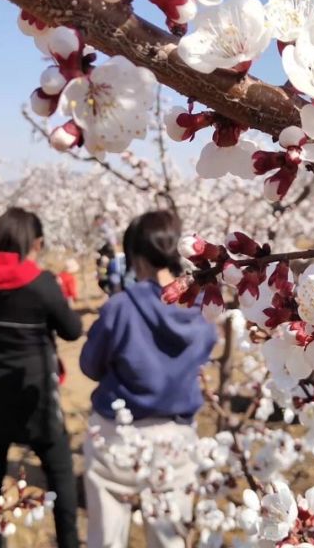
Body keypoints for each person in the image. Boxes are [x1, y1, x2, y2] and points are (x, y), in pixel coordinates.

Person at [79, 210, 218, 548]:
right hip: (175, 438)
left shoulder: (121, 307)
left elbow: (90, 365)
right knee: (170, 538)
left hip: (116, 436)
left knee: (106, 539)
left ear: (137, 255)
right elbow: (206, 350)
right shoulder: (202, 308)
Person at [0, 207, 82, 548]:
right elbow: (72, 331)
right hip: (34, 391)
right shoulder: (43, 283)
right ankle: (69, 542)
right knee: (59, 471)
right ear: (37, 243)